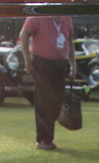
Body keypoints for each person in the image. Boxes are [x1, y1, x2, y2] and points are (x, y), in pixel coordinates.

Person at [18, 14, 74, 151]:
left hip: (61, 63)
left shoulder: (66, 18)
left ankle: (48, 137)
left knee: (56, 100)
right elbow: (24, 34)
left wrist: (73, 64)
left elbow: (70, 42)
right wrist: (27, 59)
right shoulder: (38, 14)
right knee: (44, 100)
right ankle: (43, 139)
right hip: (42, 63)